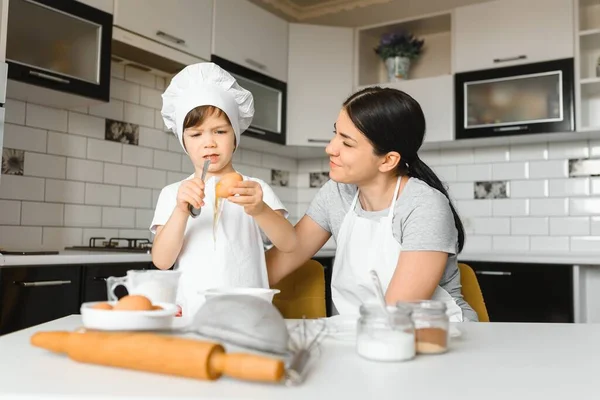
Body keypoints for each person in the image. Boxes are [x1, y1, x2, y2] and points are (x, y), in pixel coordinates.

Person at [266, 86, 478, 321]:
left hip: (437, 336)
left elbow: (395, 315)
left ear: (388, 160)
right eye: (335, 133)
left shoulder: (424, 205)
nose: (330, 148)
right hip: (363, 335)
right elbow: (275, 265)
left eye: (347, 143)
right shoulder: (336, 194)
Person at [150, 63, 297, 319]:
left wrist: (260, 209)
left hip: (249, 313)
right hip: (193, 313)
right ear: (183, 141)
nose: (209, 142)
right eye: (196, 134)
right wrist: (180, 211)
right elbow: (162, 261)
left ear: (235, 135)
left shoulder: (254, 189)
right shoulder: (174, 194)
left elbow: (290, 243)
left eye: (220, 131)